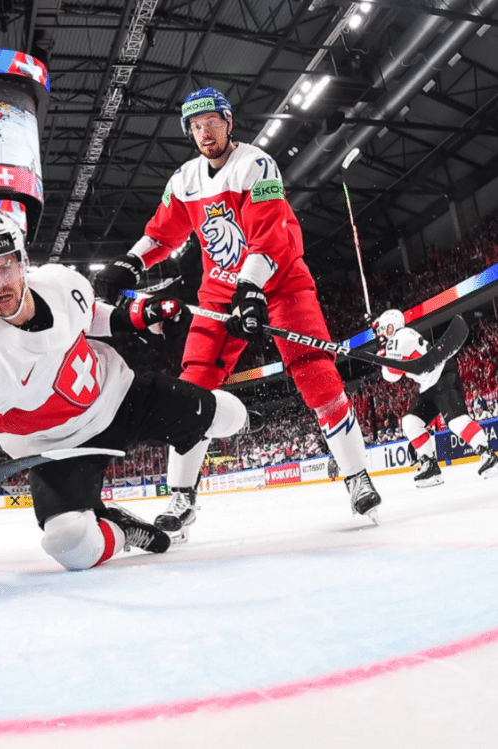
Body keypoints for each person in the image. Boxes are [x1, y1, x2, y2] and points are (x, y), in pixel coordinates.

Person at [94, 87, 382, 532]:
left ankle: (357, 477)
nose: (203, 132)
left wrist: (252, 288)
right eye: (194, 126)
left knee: (314, 371)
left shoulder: (256, 164)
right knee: (190, 390)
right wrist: (129, 263)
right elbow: (162, 234)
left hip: (282, 284)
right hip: (219, 295)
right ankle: (182, 499)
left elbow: (270, 234)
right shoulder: (185, 179)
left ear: (228, 122)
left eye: (210, 121)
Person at [0, 209, 248, 569]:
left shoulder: (59, 281)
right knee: (69, 545)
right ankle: (121, 530)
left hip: (122, 396)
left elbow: (87, 313)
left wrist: (132, 318)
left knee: (231, 415)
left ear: (23, 261)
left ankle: (217, 449)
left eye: (6, 266)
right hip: (60, 449)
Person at [373, 309, 498, 485]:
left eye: (385, 329)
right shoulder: (402, 337)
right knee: (410, 421)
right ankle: (430, 466)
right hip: (428, 385)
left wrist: (383, 359)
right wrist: (385, 357)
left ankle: (488, 454)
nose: (384, 334)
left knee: (456, 422)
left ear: (392, 326)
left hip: (441, 377)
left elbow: (392, 376)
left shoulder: (400, 337)